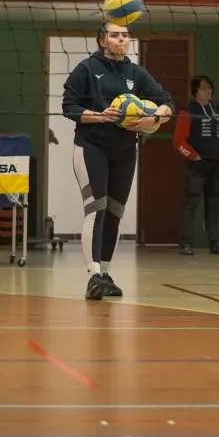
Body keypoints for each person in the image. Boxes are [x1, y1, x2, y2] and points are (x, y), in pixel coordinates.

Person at [62, 21, 174, 300]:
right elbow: (69, 107)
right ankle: (93, 275)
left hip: (124, 150)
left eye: (124, 36)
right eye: (114, 36)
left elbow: (168, 101)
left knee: (114, 212)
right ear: (102, 40)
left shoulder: (136, 73)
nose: (121, 40)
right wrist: (99, 115)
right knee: (96, 209)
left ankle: (106, 273)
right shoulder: (86, 69)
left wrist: (155, 118)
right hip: (91, 147)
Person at [174, 75, 219, 256]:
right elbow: (178, 141)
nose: (207, 92)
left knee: (214, 205)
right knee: (190, 205)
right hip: (197, 167)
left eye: (209, 88)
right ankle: (185, 244)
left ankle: (216, 243)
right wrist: (194, 157)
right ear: (195, 91)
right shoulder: (187, 111)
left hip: (217, 166)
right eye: (202, 88)